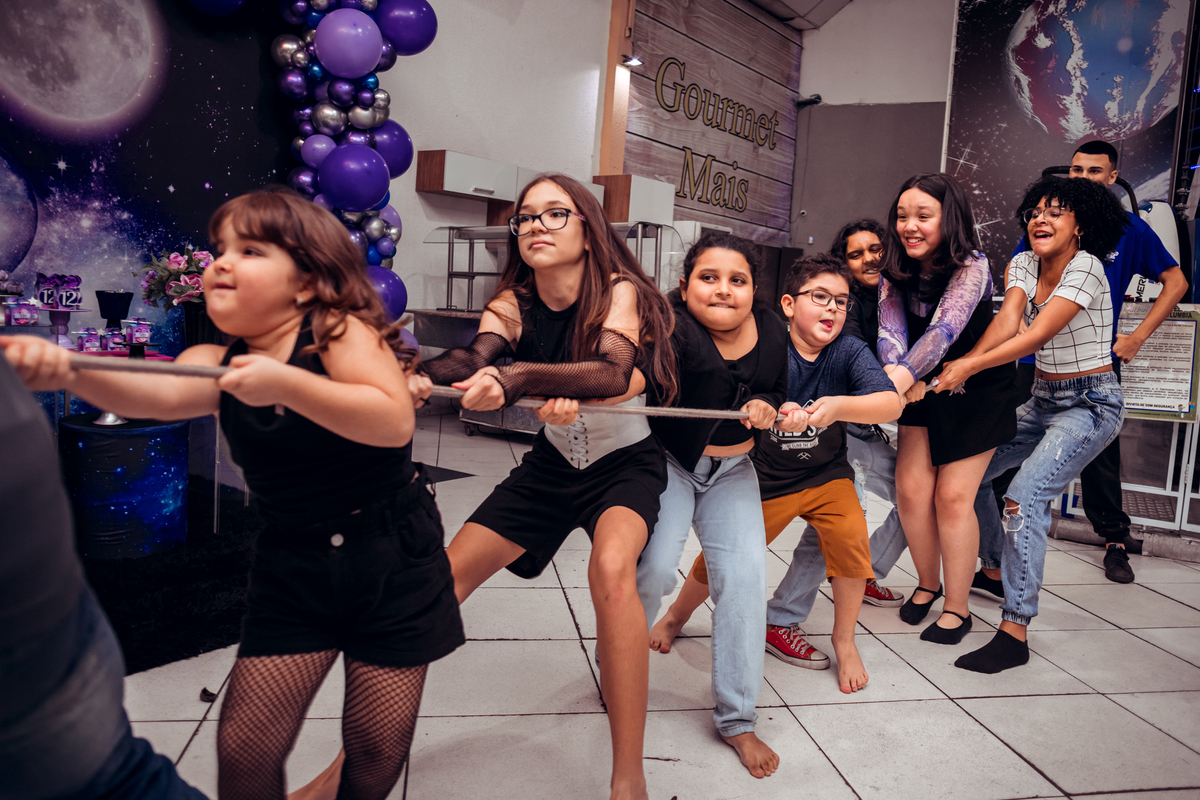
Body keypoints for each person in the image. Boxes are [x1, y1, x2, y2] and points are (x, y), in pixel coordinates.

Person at [1, 188, 462, 800]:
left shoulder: (338, 331)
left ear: (306, 280)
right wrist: (70, 370)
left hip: (392, 554)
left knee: (377, 745)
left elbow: (391, 421)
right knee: (246, 747)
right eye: (219, 248)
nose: (221, 262)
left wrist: (287, 384)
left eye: (250, 250)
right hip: (294, 561)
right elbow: (157, 395)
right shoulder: (213, 359)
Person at [419, 174, 675, 800]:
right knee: (438, 583)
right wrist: (415, 377)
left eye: (555, 213)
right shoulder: (514, 301)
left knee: (611, 571)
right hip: (553, 465)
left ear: (589, 230)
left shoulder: (619, 290)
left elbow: (611, 372)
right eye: (526, 217)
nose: (535, 225)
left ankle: (628, 778)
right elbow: (470, 359)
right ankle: (355, 762)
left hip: (625, 464)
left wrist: (517, 379)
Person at [644, 253, 902, 695]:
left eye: (841, 301)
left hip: (826, 475)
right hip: (765, 477)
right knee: (720, 561)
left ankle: (845, 640)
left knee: (851, 541)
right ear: (788, 304)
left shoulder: (848, 350)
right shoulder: (766, 342)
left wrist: (838, 407)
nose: (832, 308)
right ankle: (675, 616)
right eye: (819, 297)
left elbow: (890, 402)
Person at [937, 176, 1128, 673]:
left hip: (1090, 404)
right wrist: (963, 365)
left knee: (1023, 497)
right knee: (971, 475)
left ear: (1080, 225)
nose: (1041, 219)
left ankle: (1015, 630)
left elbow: (1037, 333)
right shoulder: (1023, 262)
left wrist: (968, 366)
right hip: (1042, 399)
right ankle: (994, 569)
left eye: (1056, 212)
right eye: (1035, 211)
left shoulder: (1087, 267)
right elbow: (1008, 323)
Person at [0, 354, 208, 800]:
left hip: (46, 642)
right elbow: (169, 396)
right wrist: (71, 373)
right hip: (47, 634)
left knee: (119, 776)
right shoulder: (208, 360)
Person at [983, 140, 1187, 586]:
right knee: (1000, 451)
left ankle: (1114, 539)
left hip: (1090, 367)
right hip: (1034, 363)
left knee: (1100, 458)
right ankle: (995, 552)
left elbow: (1176, 281)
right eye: (1076, 170)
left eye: (1095, 172)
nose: (1083, 178)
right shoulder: (1045, 225)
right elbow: (1018, 294)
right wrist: (1019, 331)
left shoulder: (1129, 230)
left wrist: (1137, 337)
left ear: (1112, 178)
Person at [634, 231, 788, 778]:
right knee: (654, 569)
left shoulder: (772, 327)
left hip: (734, 471)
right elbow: (629, 377)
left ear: (753, 290)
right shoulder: (664, 326)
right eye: (709, 277)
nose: (723, 289)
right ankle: (617, 659)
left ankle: (737, 719)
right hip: (668, 464)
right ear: (684, 285)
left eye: (737, 280)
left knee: (745, 581)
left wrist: (767, 404)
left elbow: (776, 387)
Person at [877, 173, 1017, 645]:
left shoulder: (973, 265)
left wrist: (896, 384)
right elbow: (891, 331)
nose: (909, 226)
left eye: (923, 216)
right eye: (902, 216)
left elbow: (942, 332)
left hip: (973, 387)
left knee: (953, 497)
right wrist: (897, 375)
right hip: (918, 385)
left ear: (949, 218)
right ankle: (927, 583)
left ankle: (958, 607)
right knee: (911, 491)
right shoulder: (894, 267)